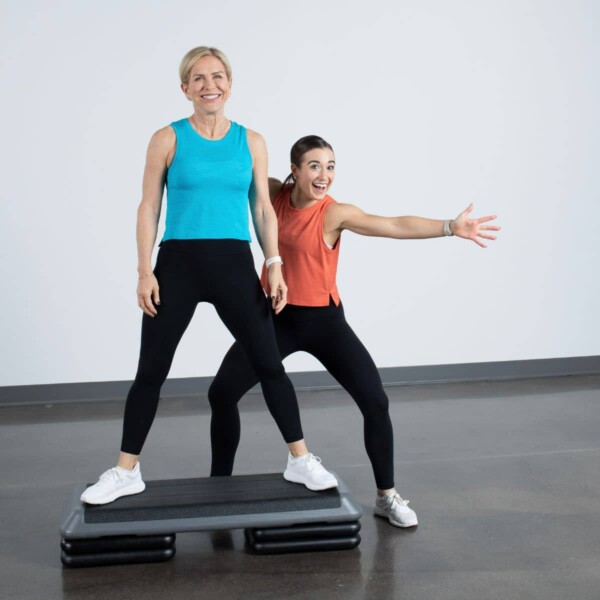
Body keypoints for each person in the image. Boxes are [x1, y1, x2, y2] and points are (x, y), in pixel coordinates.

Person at [80, 49, 337, 505]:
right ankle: (126, 471)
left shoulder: (251, 141)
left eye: (217, 77)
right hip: (177, 264)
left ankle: (300, 459)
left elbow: (262, 206)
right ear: (185, 89)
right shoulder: (167, 138)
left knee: (268, 363)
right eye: (198, 79)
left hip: (234, 264)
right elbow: (149, 207)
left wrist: (273, 262)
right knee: (151, 372)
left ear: (230, 84)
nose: (208, 85)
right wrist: (144, 272)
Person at [208, 135, 500, 527]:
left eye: (330, 166)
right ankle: (217, 489)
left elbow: (393, 224)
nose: (324, 175)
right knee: (221, 393)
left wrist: (450, 226)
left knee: (375, 401)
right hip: (274, 317)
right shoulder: (273, 195)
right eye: (314, 165)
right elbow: (238, 167)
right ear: (293, 170)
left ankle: (387, 496)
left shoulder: (334, 213)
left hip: (323, 322)